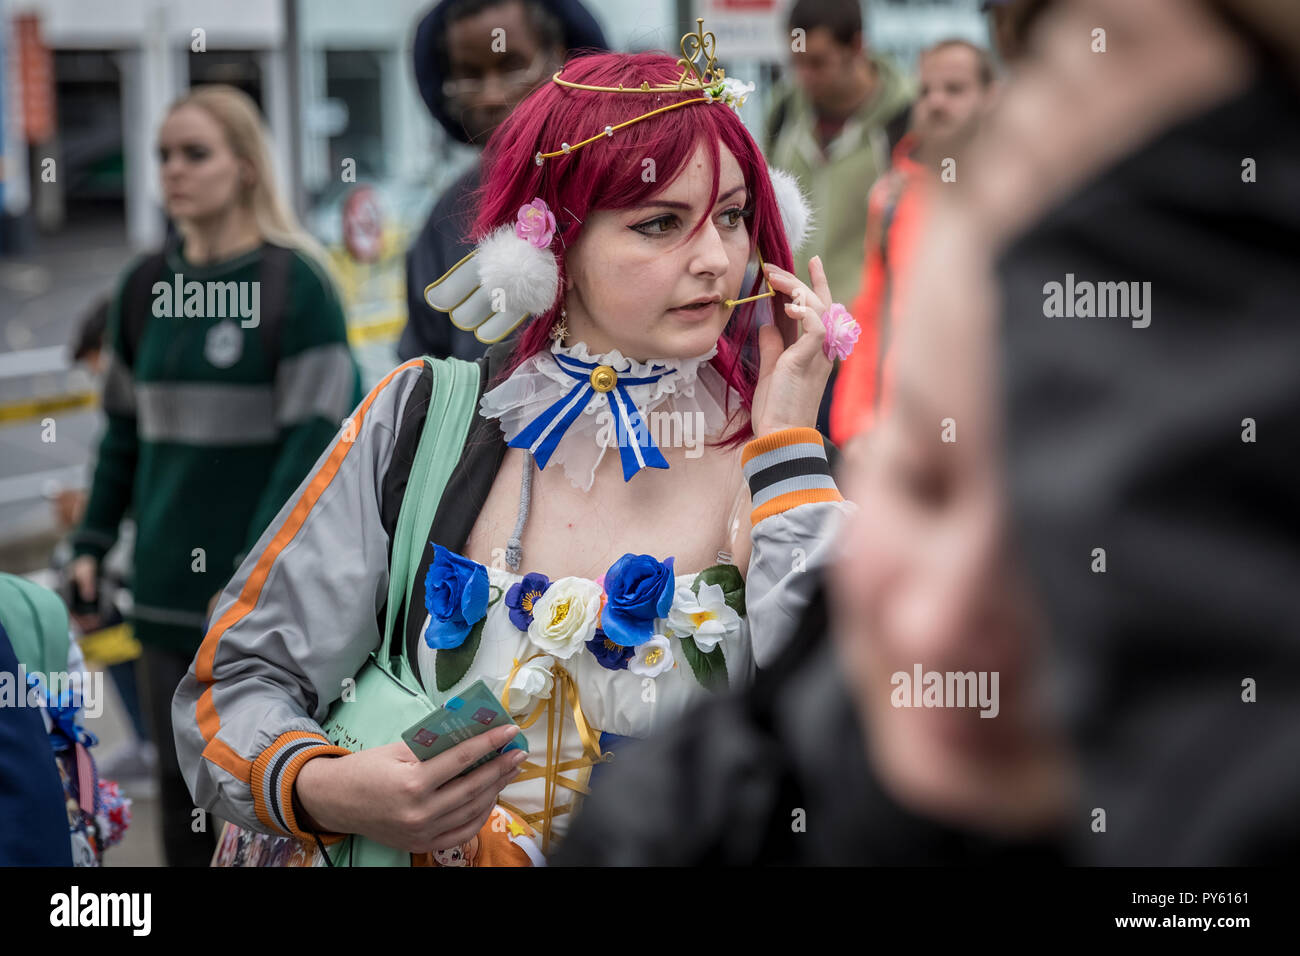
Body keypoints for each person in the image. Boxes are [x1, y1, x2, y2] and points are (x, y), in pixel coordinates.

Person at [173, 32, 856, 865]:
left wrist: (789, 444)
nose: (715, 259)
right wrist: (327, 788)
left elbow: (854, 748)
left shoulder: (776, 457)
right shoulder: (422, 419)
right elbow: (240, 679)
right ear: (551, 247)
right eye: (660, 223)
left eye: (735, 215)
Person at [67, 84, 362, 866]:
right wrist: (92, 542)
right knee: (180, 801)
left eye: (194, 153)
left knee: (266, 807)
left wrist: (245, 581)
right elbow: (122, 437)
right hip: (164, 601)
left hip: (271, 612)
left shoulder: (298, 287)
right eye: (163, 155)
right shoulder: (139, 290)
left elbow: (314, 453)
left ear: (244, 167)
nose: (173, 171)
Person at [399, 0, 607, 363]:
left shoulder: (623, 184)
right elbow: (423, 373)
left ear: (560, 61)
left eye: (512, 66)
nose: (492, 95)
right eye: (469, 75)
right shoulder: (445, 220)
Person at [830, 39, 998, 446]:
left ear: (992, 98)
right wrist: (856, 428)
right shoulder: (891, 196)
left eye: (955, 89)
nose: (936, 102)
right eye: (926, 90)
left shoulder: (1022, 190)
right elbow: (870, 314)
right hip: (896, 434)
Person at [764, 0, 913, 436]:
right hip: (796, 327)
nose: (804, 75)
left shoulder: (905, 120)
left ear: (858, 48)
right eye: (796, 62)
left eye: (817, 63)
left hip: (870, 340)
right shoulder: (784, 111)